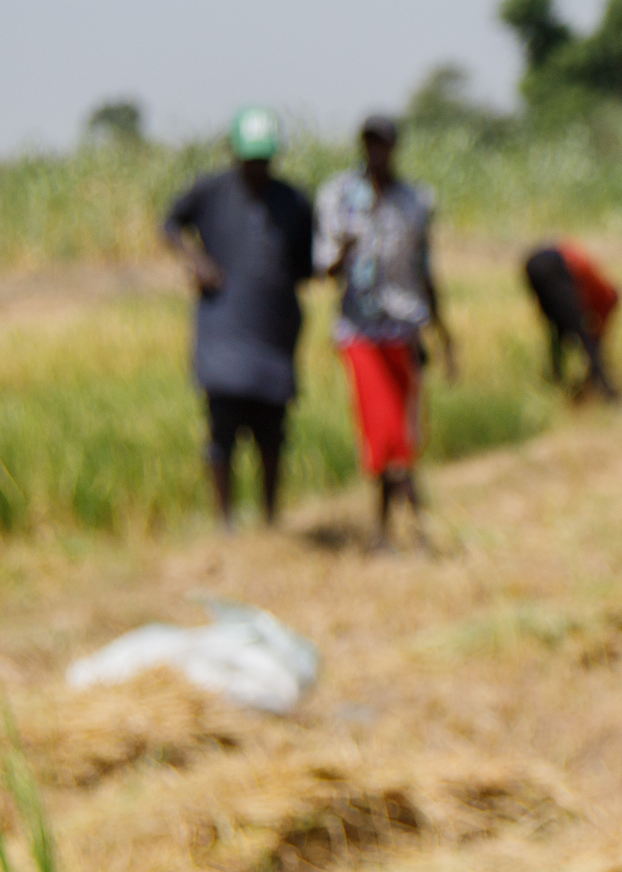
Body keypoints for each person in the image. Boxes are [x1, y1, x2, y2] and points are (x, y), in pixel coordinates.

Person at [160, 105, 315, 531]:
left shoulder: (294, 201)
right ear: (234, 153)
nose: (258, 168)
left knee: (272, 435)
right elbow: (169, 223)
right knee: (222, 434)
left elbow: (305, 266)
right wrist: (197, 262)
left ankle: (270, 520)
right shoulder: (209, 192)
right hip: (222, 332)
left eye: (264, 160)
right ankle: (224, 522)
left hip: (272, 333)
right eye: (250, 160)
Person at [315, 113, 454, 550]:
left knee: (405, 433)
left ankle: (401, 528)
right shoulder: (340, 197)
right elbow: (324, 267)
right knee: (383, 431)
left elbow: (424, 270)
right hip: (361, 329)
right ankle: (393, 528)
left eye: (385, 144)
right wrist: (346, 247)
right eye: (370, 144)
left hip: (404, 328)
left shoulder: (414, 200)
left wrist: (445, 337)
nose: (377, 153)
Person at [523, 239, 622, 402]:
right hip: (556, 265)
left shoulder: (598, 287)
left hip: (534, 264)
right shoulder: (608, 297)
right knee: (583, 337)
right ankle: (609, 393)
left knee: (557, 330)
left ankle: (556, 381)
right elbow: (596, 337)